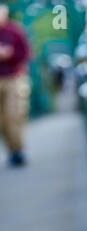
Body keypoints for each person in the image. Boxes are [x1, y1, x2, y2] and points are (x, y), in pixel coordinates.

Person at [0, 4, 30, 167]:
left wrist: (10, 54)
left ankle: (17, 150)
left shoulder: (14, 31)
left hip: (12, 77)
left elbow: (25, 52)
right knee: (2, 120)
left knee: (13, 115)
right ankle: (11, 150)